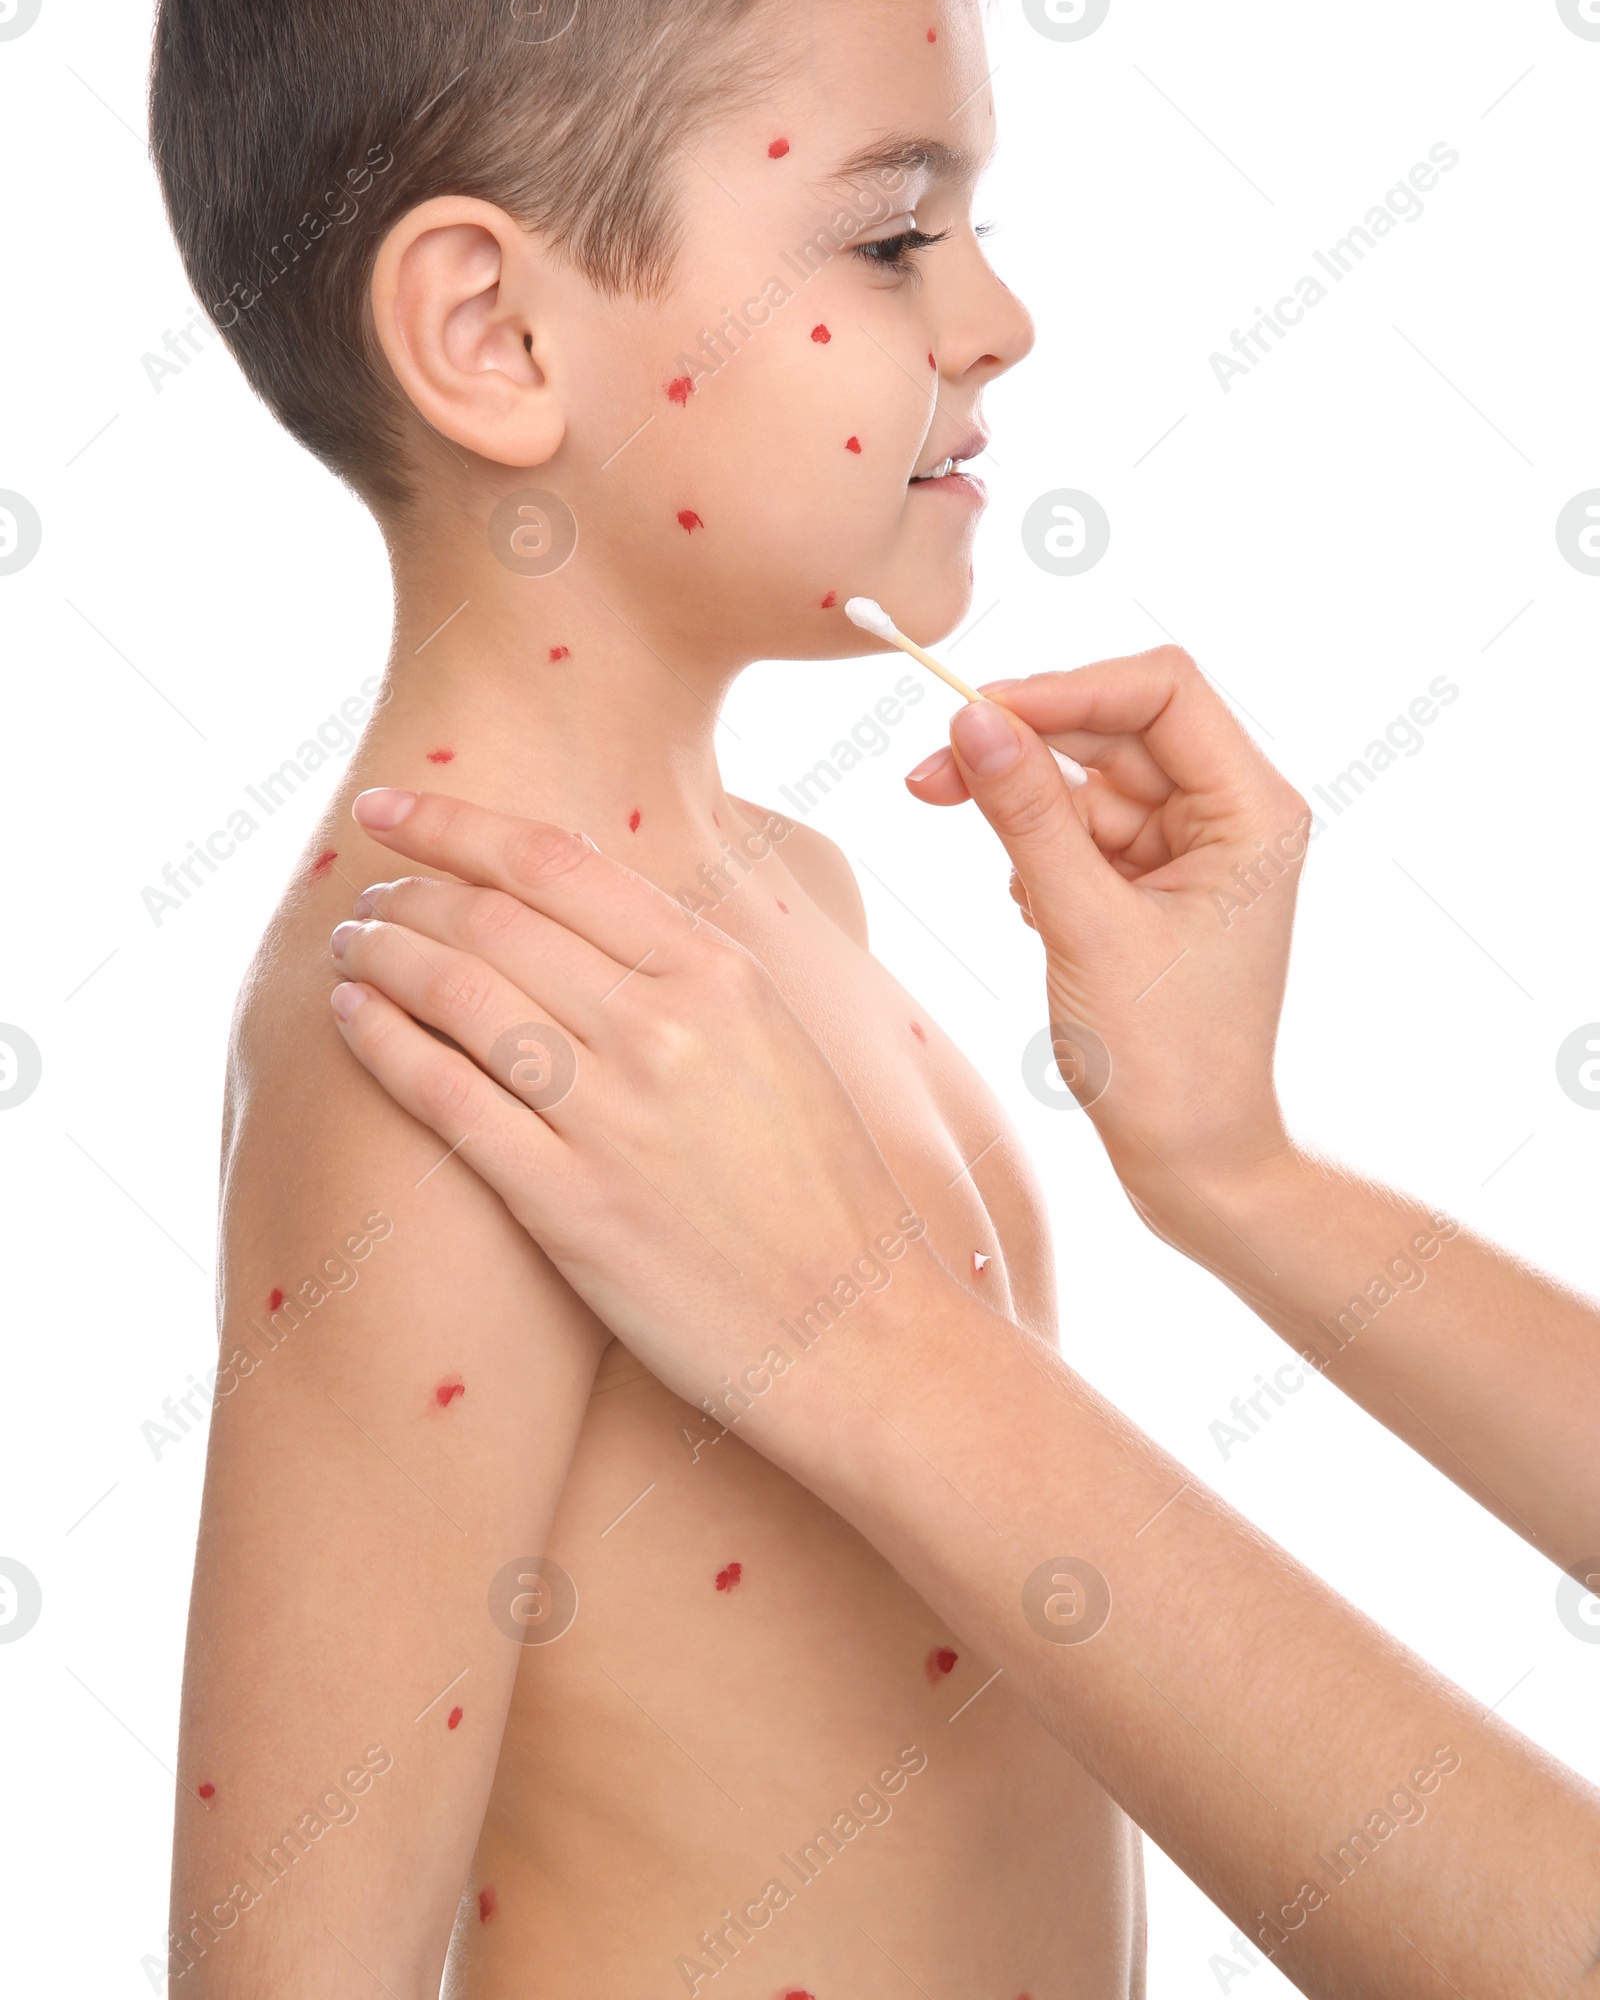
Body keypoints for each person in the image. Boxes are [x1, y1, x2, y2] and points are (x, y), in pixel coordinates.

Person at [154, 0, 1150, 2000]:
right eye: (891, 238)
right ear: (493, 335)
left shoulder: (778, 891)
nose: (994, 319)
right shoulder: (449, 1031)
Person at [326, 647, 1600, 1998]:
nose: (983, 418)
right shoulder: (414, 1005)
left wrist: (879, 1347)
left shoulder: (727, 921)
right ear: (495, 410)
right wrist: (1235, 1166)